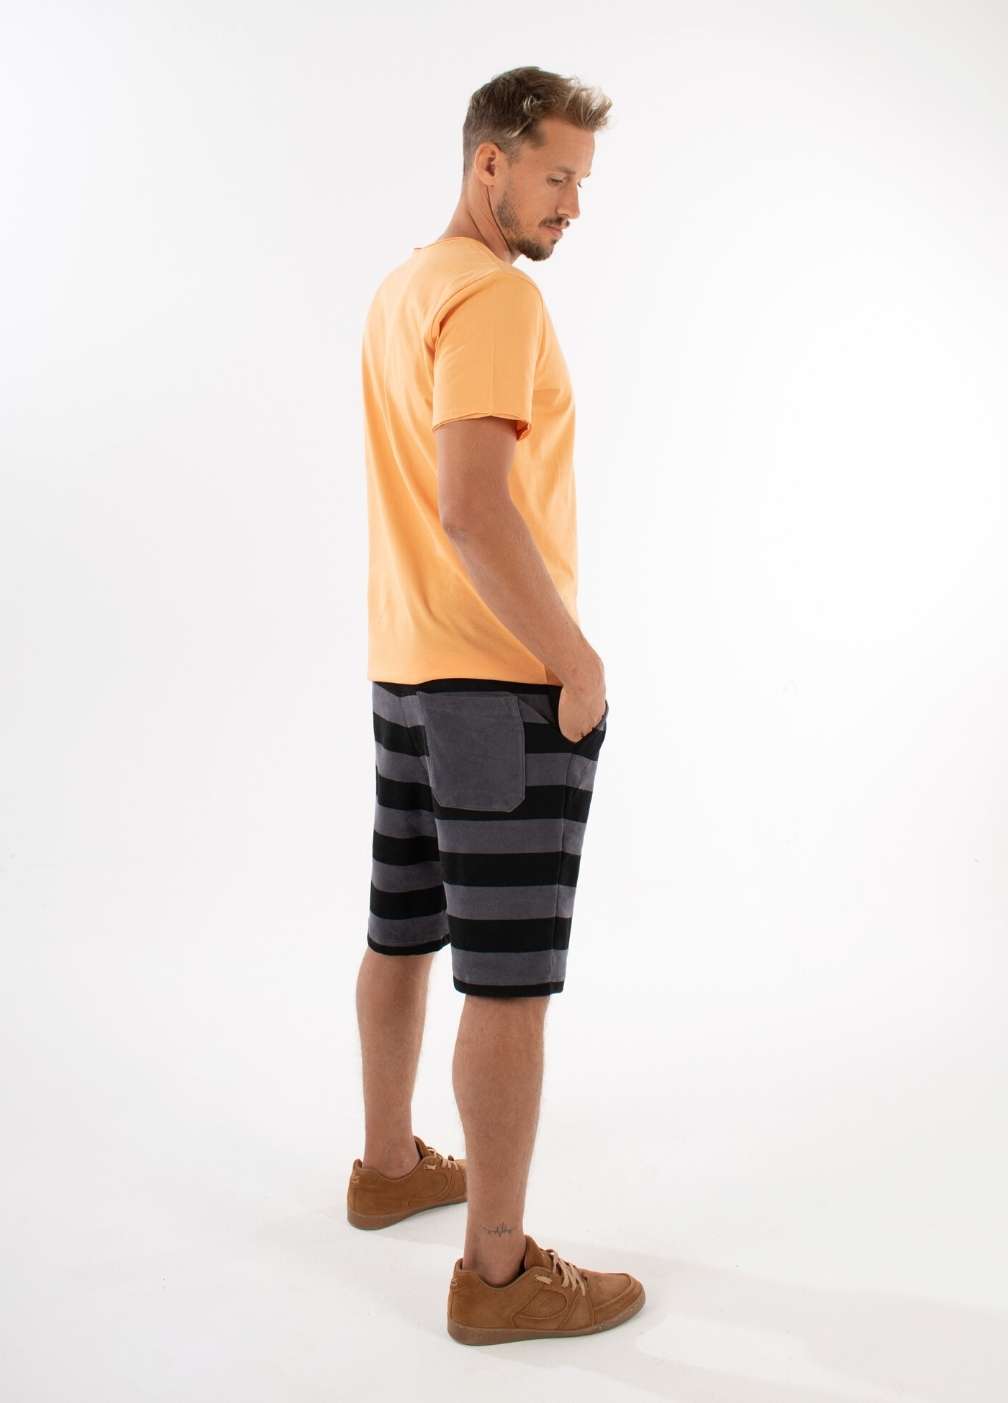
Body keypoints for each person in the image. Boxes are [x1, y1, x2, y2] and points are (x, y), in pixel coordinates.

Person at [347, 65, 645, 1345]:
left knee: (401, 929)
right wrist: (575, 660)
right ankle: (500, 1272)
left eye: (582, 179)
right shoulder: (494, 294)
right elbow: (471, 506)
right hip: (495, 682)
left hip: (407, 666)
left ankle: (386, 1165)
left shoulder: (404, 286)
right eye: (557, 174)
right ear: (491, 164)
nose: (573, 203)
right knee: (509, 981)